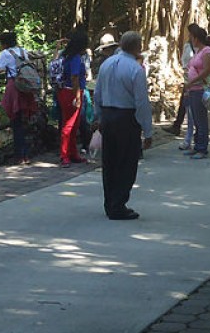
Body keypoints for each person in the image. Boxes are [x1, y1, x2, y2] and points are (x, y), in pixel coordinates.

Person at [93, 31, 154, 220]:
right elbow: (142, 102)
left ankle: (110, 202)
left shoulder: (106, 64)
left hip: (108, 116)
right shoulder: (135, 69)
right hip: (126, 117)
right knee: (126, 162)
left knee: (109, 162)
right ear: (137, 47)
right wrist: (148, 130)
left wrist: (98, 117)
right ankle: (118, 204)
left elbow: (97, 93)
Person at [0, 31, 38, 165]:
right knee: (24, 122)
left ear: (3, 43)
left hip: (15, 87)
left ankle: (20, 155)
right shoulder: (23, 51)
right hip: (26, 88)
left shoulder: (5, 54)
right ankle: (26, 154)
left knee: (16, 121)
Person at [58, 29, 89, 167]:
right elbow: (74, 77)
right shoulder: (75, 58)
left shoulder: (67, 56)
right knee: (69, 125)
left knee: (74, 124)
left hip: (65, 91)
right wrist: (77, 96)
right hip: (72, 92)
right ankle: (64, 154)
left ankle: (72, 153)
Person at [183, 26, 210, 159]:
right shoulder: (198, 51)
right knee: (195, 119)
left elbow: (207, 70)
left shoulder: (207, 51)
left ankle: (202, 148)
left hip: (200, 89)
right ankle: (197, 145)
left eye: (191, 37)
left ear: (196, 38)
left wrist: (192, 81)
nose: (190, 39)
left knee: (201, 120)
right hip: (193, 89)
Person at [163, 23, 199, 136]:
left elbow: (186, 60)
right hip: (192, 76)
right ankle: (178, 125)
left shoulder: (192, 46)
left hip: (192, 77)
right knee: (186, 101)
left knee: (188, 102)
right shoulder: (199, 46)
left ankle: (183, 127)